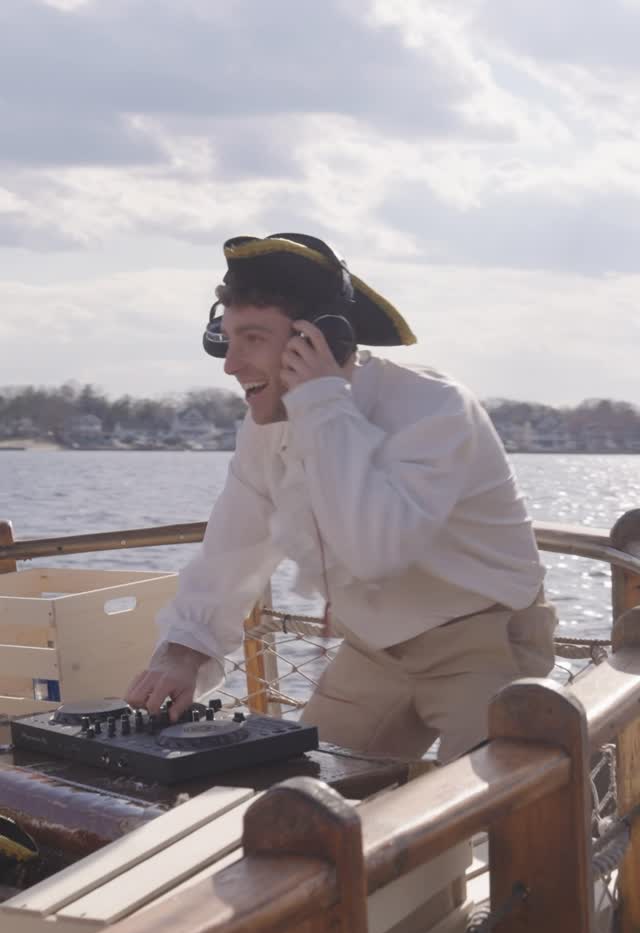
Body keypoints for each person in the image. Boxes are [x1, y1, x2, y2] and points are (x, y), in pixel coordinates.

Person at [126, 232, 556, 765]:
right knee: (305, 793)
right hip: (375, 650)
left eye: (252, 339)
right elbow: (233, 547)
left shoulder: (435, 408)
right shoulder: (266, 431)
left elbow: (374, 552)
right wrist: (183, 652)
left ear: (322, 341)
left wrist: (320, 404)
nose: (230, 365)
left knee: (492, 806)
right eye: (227, 339)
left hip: (485, 644)